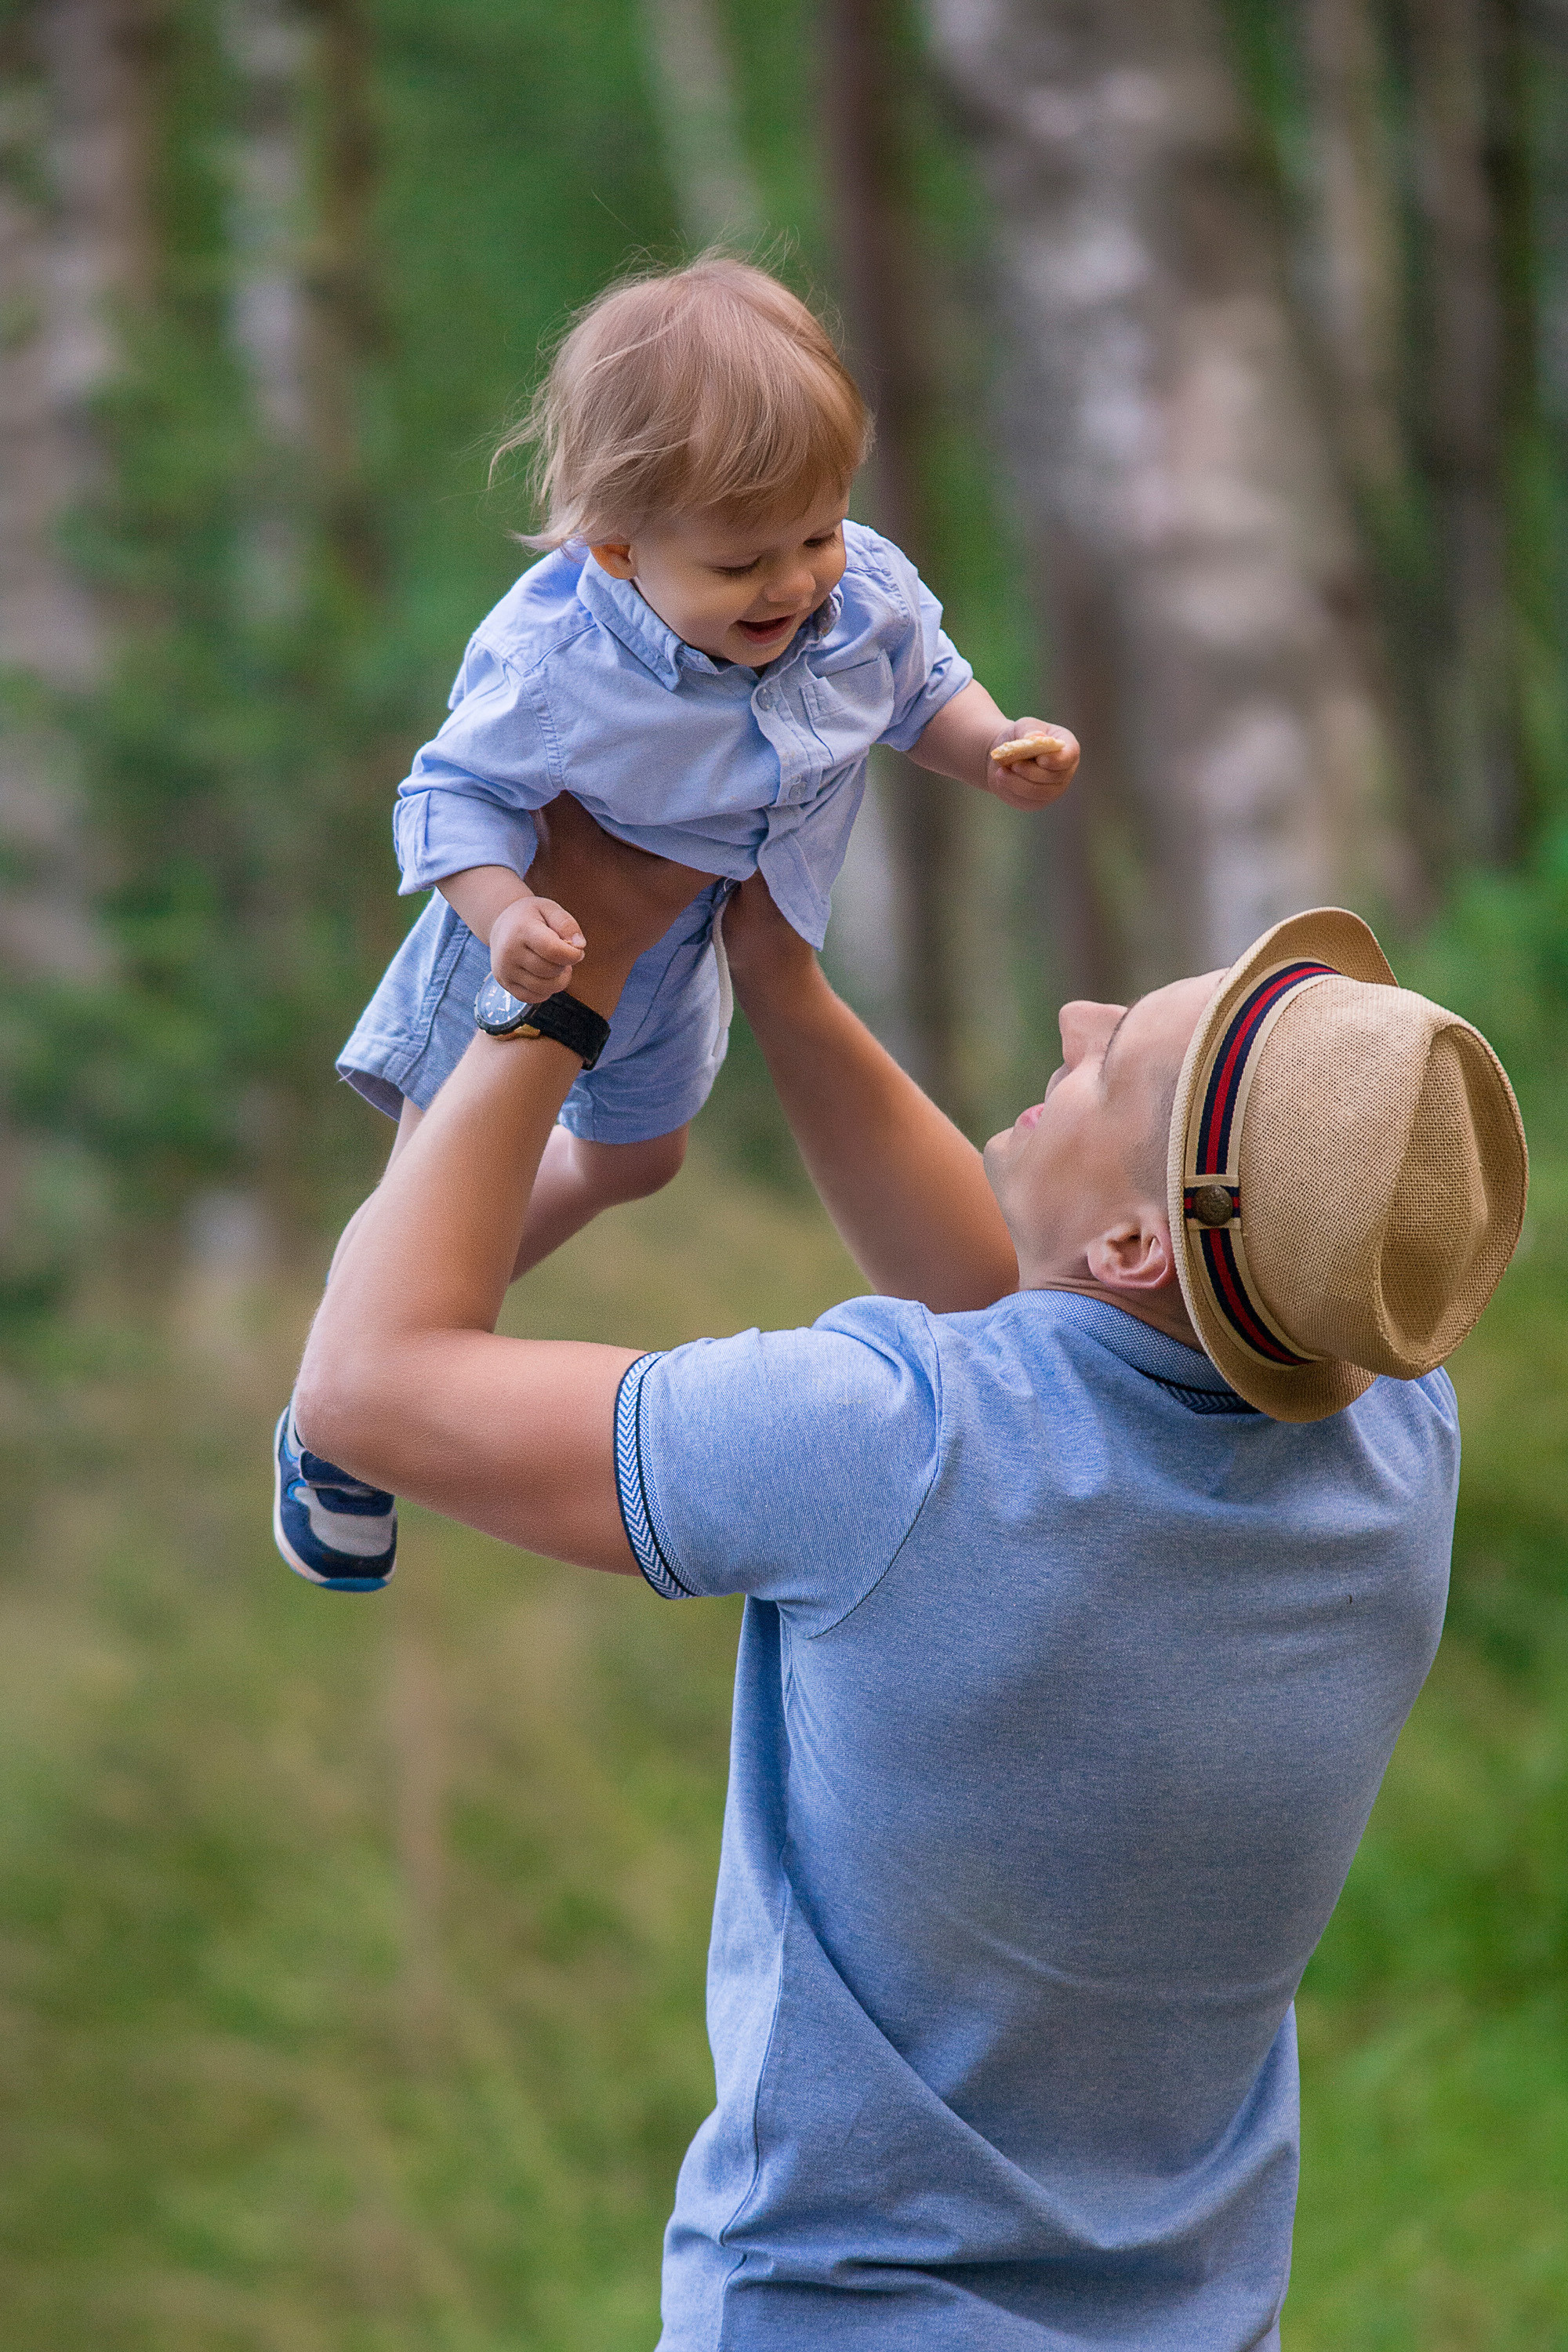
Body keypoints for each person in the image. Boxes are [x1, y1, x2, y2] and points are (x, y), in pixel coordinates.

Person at [292, 800, 1526, 2351]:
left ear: (1145, 1247)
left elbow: (364, 1388)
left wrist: (564, 983)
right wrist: (783, 983)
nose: (1072, 1019)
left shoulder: (890, 1440)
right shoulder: (1398, 1445)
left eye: (1107, 1062)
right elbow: (1034, 1317)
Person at [273, 253, 1079, 1592]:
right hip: (519, 958)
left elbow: (919, 684)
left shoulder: (853, 589)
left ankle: (357, 1366)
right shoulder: (553, 665)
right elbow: (447, 799)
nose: (794, 585)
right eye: (742, 562)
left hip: (684, 950)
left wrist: (992, 747)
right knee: (431, 1207)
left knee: (640, 1162)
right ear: (616, 548)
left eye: (817, 536)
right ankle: (339, 1413)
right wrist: (507, 908)